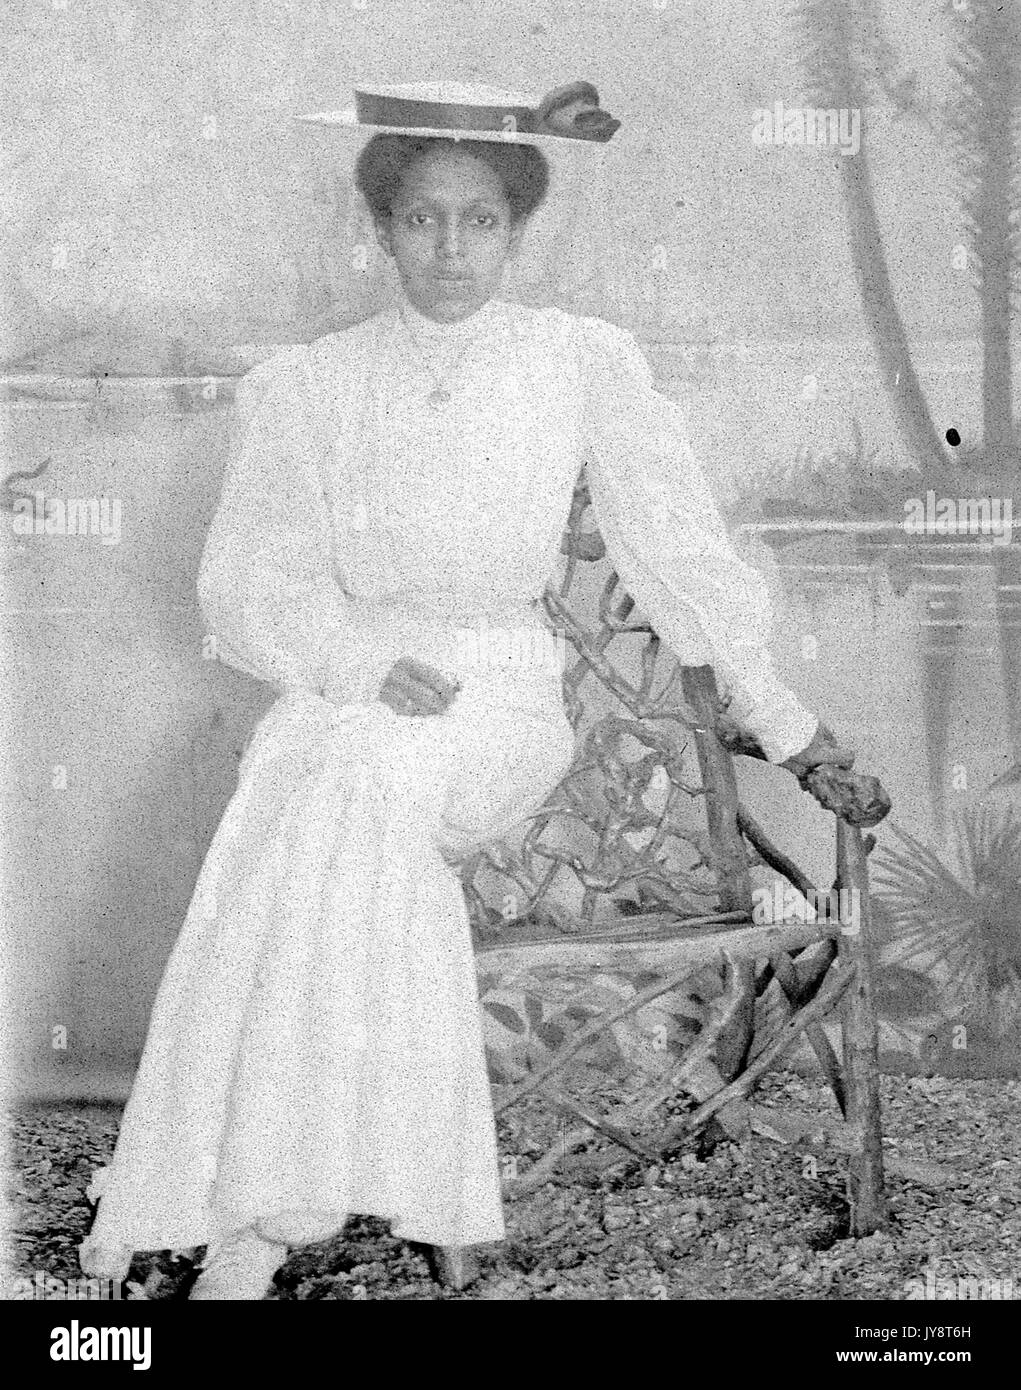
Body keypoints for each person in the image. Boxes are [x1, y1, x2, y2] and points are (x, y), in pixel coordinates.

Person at [78, 81, 853, 1299]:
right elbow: (246, 585)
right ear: (379, 231)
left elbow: (678, 551)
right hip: (351, 692)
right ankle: (307, 1200)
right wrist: (355, 662)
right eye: (424, 220)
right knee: (332, 781)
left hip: (497, 703)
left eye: (479, 220)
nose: (451, 249)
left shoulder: (577, 361)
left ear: (515, 231)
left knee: (333, 793)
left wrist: (789, 727)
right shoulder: (310, 384)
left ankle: (256, 1211)